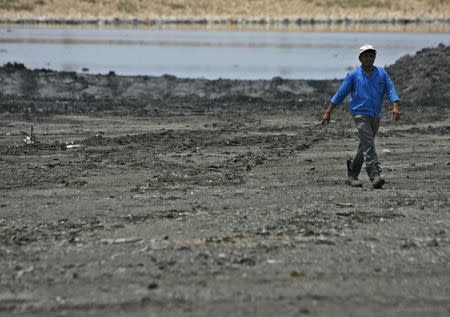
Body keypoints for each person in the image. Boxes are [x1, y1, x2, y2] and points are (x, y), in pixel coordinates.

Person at [321, 44, 400, 189]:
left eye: (371, 56)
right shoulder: (353, 75)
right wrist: (328, 111)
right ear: (360, 58)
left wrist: (395, 106)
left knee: (364, 146)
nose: (368, 59)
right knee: (369, 145)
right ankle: (375, 175)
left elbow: (391, 90)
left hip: (375, 116)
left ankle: (352, 173)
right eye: (365, 56)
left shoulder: (382, 74)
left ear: (374, 58)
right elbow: (340, 94)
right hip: (360, 115)